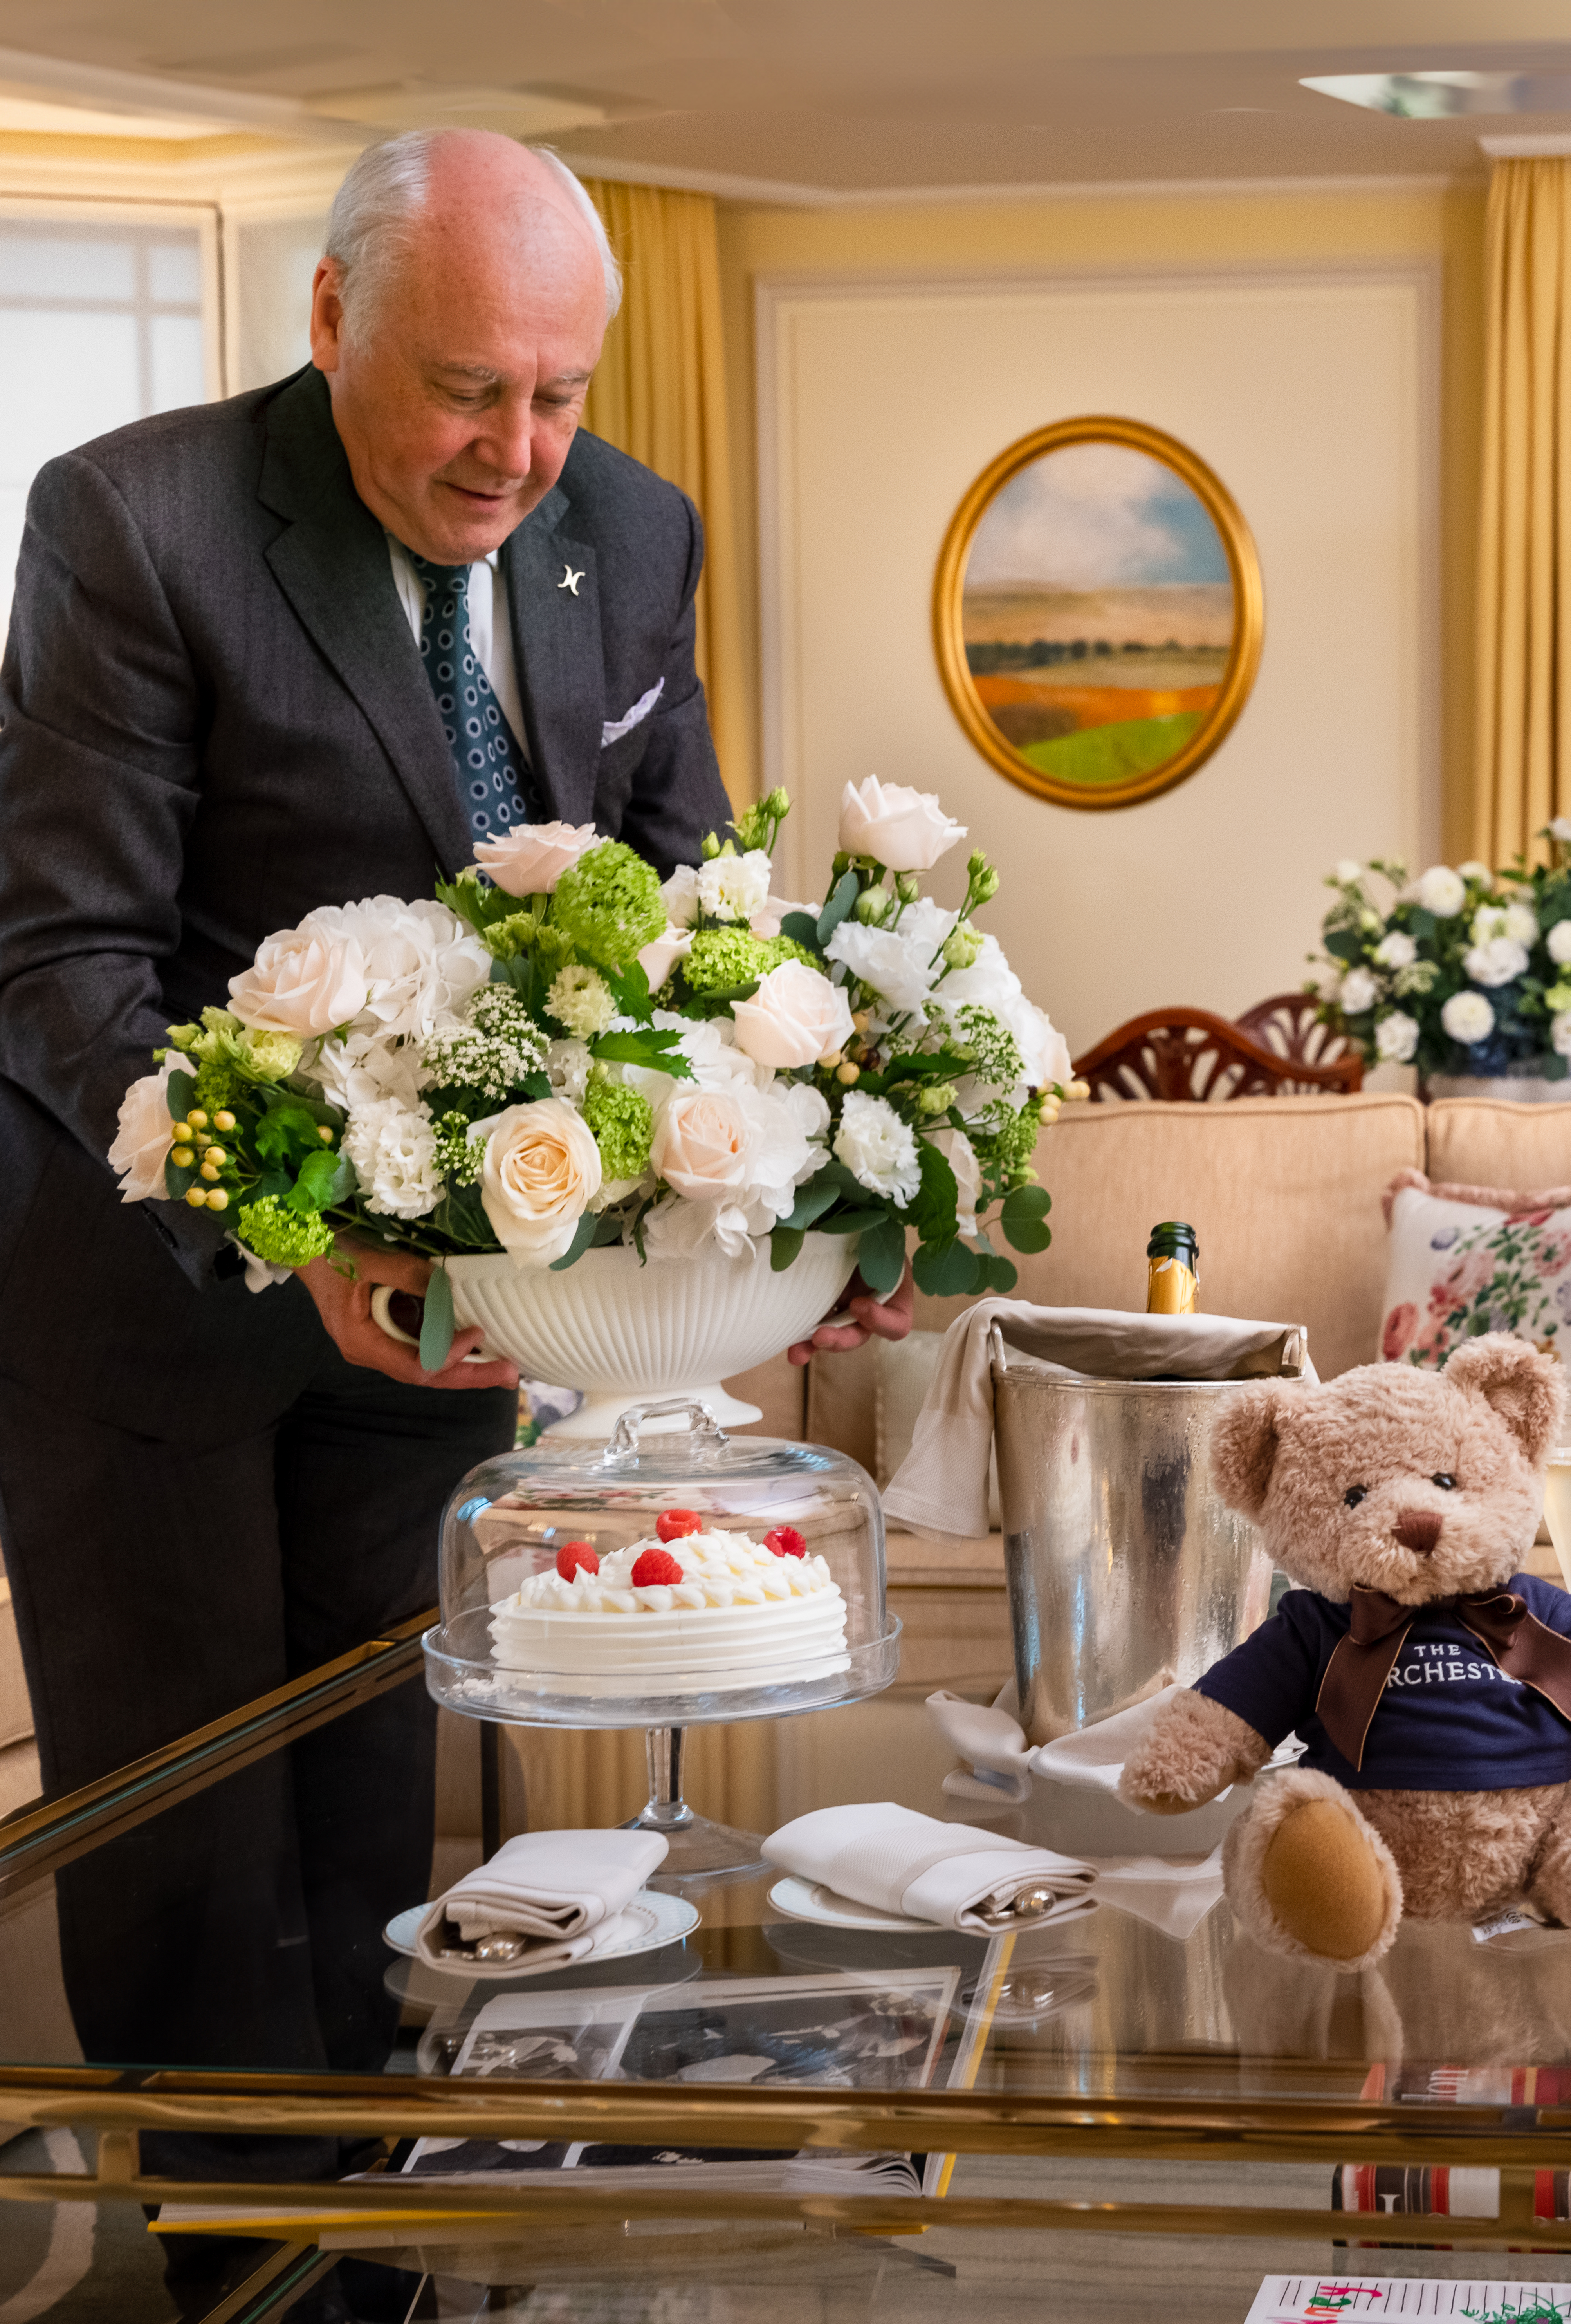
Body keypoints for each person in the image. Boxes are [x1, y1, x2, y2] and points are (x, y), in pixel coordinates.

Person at [0, 128, 906, 2323]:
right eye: (464, 391)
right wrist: (283, 1231)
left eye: (557, 396)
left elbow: (692, 929)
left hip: (433, 1307)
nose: (518, 452)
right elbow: (65, 967)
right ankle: (225, 2285)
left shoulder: (631, 528)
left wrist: (807, 1189)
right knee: (202, 1878)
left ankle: (373, 2261)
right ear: (330, 325)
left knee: (369, 1830)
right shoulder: (135, 523)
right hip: (152, 1313)